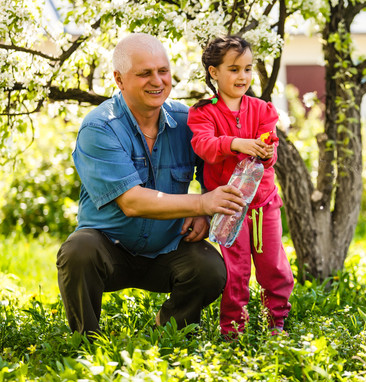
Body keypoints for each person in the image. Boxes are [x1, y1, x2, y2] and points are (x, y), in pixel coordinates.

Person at [56, 33, 246, 336]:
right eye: (144, 73)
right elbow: (132, 202)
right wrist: (200, 203)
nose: (157, 81)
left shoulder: (188, 122)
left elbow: (216, 177)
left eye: (163, 71)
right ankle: (84, 340)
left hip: (167, 249)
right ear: (119, 79)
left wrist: (205, 214)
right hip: (109, 249)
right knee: (78, 251)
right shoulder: (99, 127)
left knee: (210, 269)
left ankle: (171, 331)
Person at [188, 36, 294, 337]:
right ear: (213, 72)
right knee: (236, 272)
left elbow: (268, 156)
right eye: (233, 69)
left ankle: (277, 321)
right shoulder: (203, 112)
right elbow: (204, 146)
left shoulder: (262, 110)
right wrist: (237, 143)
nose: (243, 76)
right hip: (229, 206)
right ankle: (233, 328)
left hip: (264, 205)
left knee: (274, 266)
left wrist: (267, 151)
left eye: (248, 69)